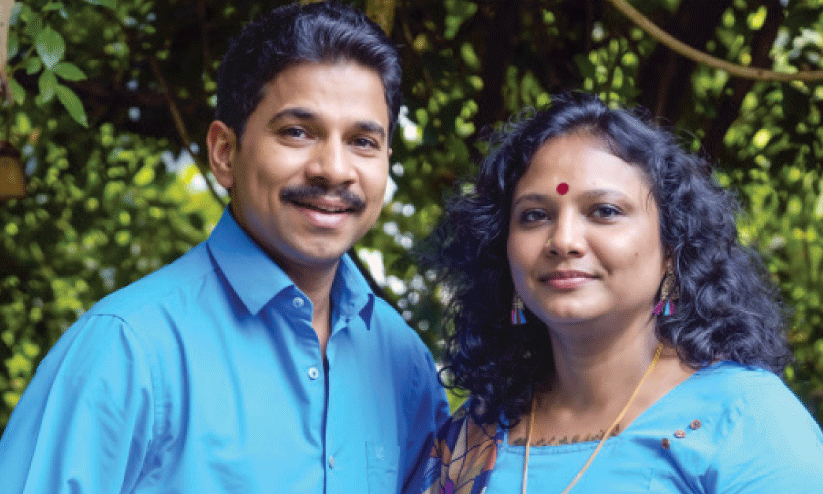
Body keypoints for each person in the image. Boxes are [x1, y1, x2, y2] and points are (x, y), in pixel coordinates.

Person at [0, 2, 449, 492]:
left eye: (362, 141)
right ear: (224, 153)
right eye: (297, 132)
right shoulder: (127, 350)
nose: (334, 170)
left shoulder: (404, 364)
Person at [418, 92, 823, 494]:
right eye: (535, 215)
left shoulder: (745, 419)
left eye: (604, 211)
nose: (564, 240)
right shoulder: (473, 435)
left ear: (672, 250)